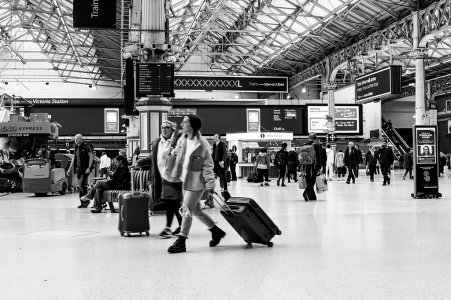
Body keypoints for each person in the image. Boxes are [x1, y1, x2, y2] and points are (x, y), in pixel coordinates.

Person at [168, 115, 226, 254]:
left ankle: (181, 240)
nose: (182, 123)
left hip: (197, 182)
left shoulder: (202, 144)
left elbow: (207, 165)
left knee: (186, 209)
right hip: (185, 180)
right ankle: (216, 231)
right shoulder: (182, 139)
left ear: (192, 125)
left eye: (185, 121)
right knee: (195, 210)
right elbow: (178, 156)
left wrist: (210, 185)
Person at [149, 120, 184, 238]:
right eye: (162, 127)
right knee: (172, 202)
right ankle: (180, 226)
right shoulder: (158, 142)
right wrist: (139, 162)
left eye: (167, 128)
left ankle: (170, 228)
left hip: (175, 176)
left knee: (171, 202)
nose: (164, 129)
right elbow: (153, 157)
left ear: (172, 129)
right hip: (163, 176)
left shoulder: (176, 141)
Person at [67, 134, 93, 208]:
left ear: (81, 139)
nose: (76, 140)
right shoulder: (76, 147)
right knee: (81, 186)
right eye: (75, 139)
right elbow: (74, 158)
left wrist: (89, 167)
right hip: (78, 170)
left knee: (81, 185)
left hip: (85, 169)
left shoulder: (86, 147)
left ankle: (86, 200)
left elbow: (91, 157)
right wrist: (69, 169)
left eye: (77, 139)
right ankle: (83, 202)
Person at [302, 132, 323, 201]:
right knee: (313, 180)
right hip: (314, 166)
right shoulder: (316, 145)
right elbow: (318, 157)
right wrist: (319, 166)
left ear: (308, 137)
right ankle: (305, 192)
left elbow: (302, 157)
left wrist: (302, 167)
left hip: (306, 166)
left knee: (308, 180)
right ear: (315, 138)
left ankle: (312, 196)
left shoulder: (304, 145)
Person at [212, 133, 229, 199]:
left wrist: (222, 161)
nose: (215, 137)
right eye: (214, 136)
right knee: (212, 175)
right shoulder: (214, 144)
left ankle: (225, 190)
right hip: (215, 162)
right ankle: (211, 190)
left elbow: (225, 153)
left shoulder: (222, 144)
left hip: (221, 162)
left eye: (216, 136)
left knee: (223, 176)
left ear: (219, 137)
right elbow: (213, 153)